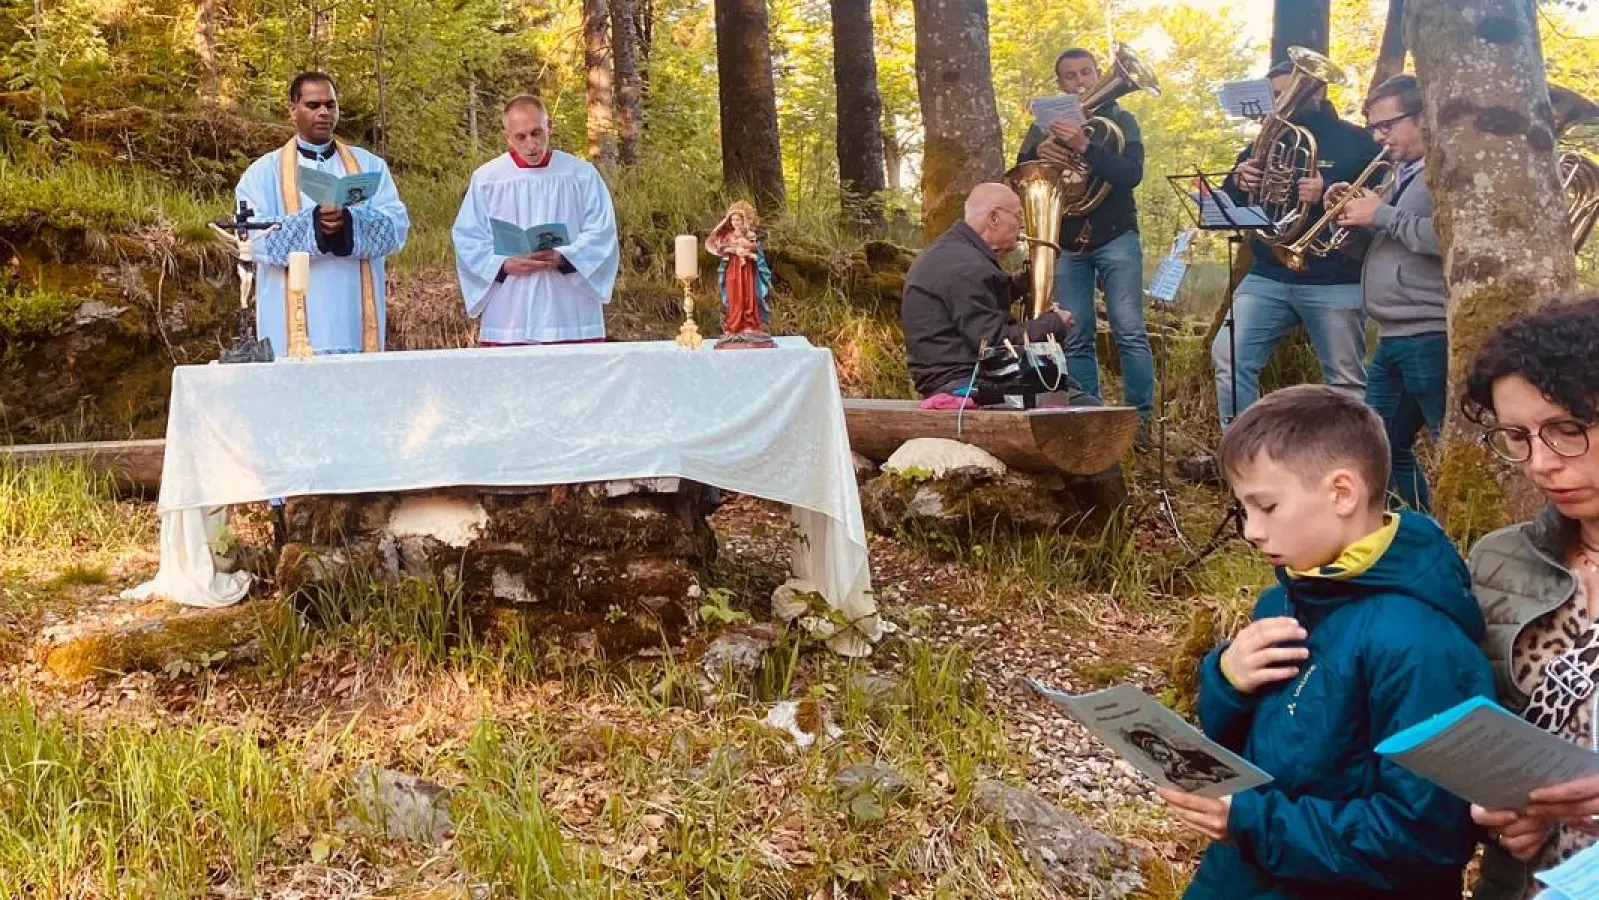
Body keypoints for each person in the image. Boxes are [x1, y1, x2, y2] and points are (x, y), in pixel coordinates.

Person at [1161, 384, 1493, 900]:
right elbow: (1250, 748)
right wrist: (1227, 680)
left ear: (1342, 493)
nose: (1250, 530)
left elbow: (1425, 839)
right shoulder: (1285, 599)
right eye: (1243, 510)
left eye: (1265, 507)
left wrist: (1250, 820)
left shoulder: (1422, 644)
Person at [1459, 297, 1599, 898]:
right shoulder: (1498, 562)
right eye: (1518, 437)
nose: (1540, 464)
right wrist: (1499, 815)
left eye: (1568, 430)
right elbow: (1483, 736)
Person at [1212, 61, 1382, 428]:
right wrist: (1238, 182)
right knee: (1228, 355)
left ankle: (1353, 466)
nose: (1280, 104)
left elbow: (1380, 195)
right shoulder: (1262, 141)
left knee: (1345, 381)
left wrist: (1328, 187)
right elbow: (1231, 207)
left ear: (1316, 92)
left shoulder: (1357, 140)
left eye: (1287, 94)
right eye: (1274, 96)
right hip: (1268, 272)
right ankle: (1243, 453)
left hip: (1335, 275)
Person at [1016, 47, 1155, 442]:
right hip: (1067, 238)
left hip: (1116, 236)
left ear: (1098, 74)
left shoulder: (1121, 119)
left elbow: (1131, 174)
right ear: (1060, 84)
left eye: (1086, 73)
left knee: (1129, 330)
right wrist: (1039, 153)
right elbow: (1023, 171)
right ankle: (1090, 417)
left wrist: (1084, 146)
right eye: (1070, 76)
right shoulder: (1045, 125)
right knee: (1075, 334)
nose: (1079, 81)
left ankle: (1140, 423)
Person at [1324, 75, 1445, 512]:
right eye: (1374, 127)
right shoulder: (1399, 175)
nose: (1379, 136)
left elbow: (1453, 242)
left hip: (1430, 330)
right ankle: (1418, 532)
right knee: (1379, 448)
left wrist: (1383, 213)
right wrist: (1354, 224)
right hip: (1393, 332)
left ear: (1422, 116)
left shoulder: (1446, 171)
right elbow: (1385, 246)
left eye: (1388, 125)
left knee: (1450, 444)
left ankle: (1467, 537)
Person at [236, 71, 410, 355]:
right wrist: (315, 225)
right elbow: (253, 238)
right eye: (313, 105)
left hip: (353, 311)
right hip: (289, 317)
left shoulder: (370, 166)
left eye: (330, 105)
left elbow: (396, 227)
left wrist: (349, 223)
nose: (324, 113)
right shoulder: (263, 172)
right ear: (293, 109)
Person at [452, 95, 620, 346]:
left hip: (569, 309)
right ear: (508, 136)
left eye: (537, 133)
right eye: (521, 137)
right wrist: (502, 265)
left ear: (549, 126)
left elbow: (602, 232)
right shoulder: (488, 179)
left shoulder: (581, 175)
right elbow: (469, 239)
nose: (531, 144)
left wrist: (565, 257)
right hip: (510, 310)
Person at [901, 183, 1077, 408]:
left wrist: (1018, 283)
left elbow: (976, 304)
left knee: (1067, 387)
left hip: (956, 375)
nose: (1022, 224)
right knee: (1083, 406)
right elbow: (993, 343)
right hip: (963, 382)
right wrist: (1054, 324)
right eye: (1018, 215)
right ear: (994, 218)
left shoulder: (956, 253)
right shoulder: (966, 266)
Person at [706, 200, 774, 340]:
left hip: (747, 270)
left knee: (748, 294)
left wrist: (748, 249)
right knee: (734, 295)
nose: (735, 222)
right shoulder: (728, 236)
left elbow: (756, 249)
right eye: (732, 219)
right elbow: (720, 247)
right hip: (733, 269)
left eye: (738, 219)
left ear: (744, 220)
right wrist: (734, 250)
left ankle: (749, 324)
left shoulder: (750, 235)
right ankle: (734, 324)